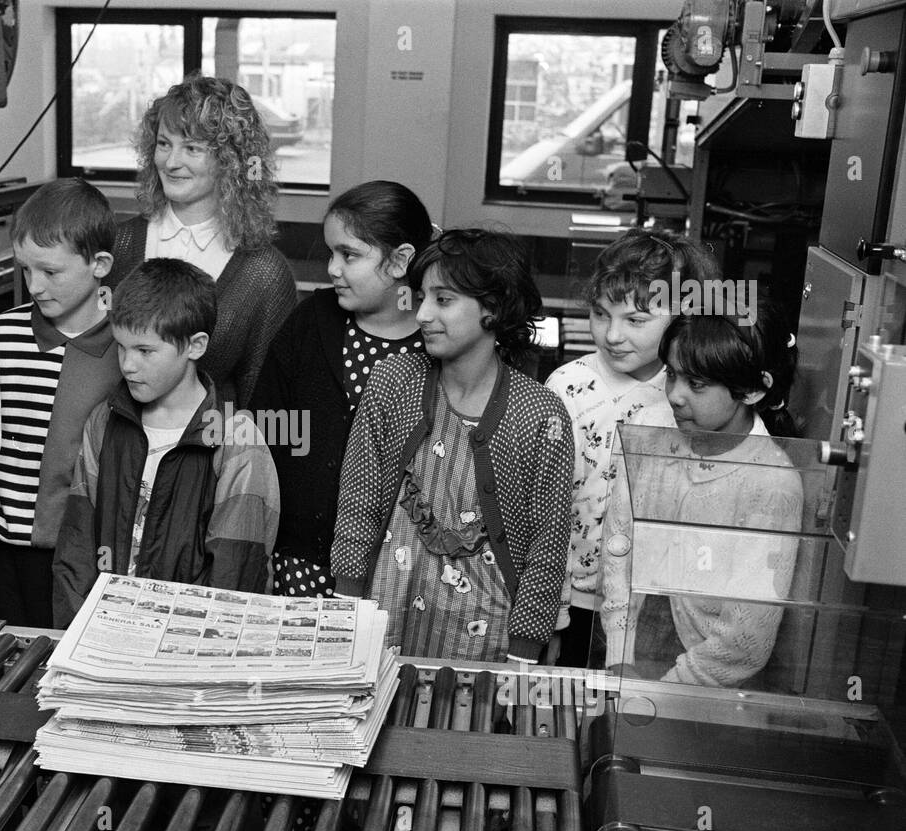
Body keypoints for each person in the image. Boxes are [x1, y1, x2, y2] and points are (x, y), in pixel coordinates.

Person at [331, 228, 572, 664]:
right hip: (384, 618)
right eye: (421, 296)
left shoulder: (541, 414)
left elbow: (547, 543)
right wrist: (346, 605)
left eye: (443, 300)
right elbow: (358, 501)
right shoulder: (392, 383)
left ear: (493, 309)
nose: (422, 314)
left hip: (487, 637)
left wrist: (526, 647)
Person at [51, 258, 280, 626]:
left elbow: (236, 576)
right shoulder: (104, 421)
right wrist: (73, 632)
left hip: (188, 654)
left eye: (145, 351)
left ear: (196, 346)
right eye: (121, 347)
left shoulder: (236, 441)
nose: (127, 365)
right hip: (103, 639)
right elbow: (77, 546)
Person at [599, 305, 804, 687]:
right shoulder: (648, 429)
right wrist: (618, 654)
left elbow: (748, 636)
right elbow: (619, 541)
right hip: (627, 646)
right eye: (672, 375)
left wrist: (670, 690)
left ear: (754, 389)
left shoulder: (772, 483)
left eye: (696, 384)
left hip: (702, 677)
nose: (675, 395)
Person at [545, 228, 721, 667]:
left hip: (651, 606)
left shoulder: (685, 396)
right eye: (601, 314)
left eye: (636, 321)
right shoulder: (566, 387)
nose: (612, 335)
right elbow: (542, 503)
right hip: (568, 601)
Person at [251, 180, 433, 597]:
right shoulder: (312, 321)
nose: (333, 268)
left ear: (400, 260)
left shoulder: (434, 343)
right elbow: (265, 426)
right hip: (299, 556)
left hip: (401, 572)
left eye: (349, 254)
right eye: (332, 252)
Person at [0, 179, 120, 627]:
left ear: (99, 265)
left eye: (50, 272)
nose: (34, 286)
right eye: (25, 269)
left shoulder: (126, 349)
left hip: (80, 556)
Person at [106, 73, 297, 408]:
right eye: (164, 144)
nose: (171, 162)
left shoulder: (264, 275)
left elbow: (262, 403)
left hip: (211, 449)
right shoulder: (119, 244)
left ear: (231, 162)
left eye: (191, 148)